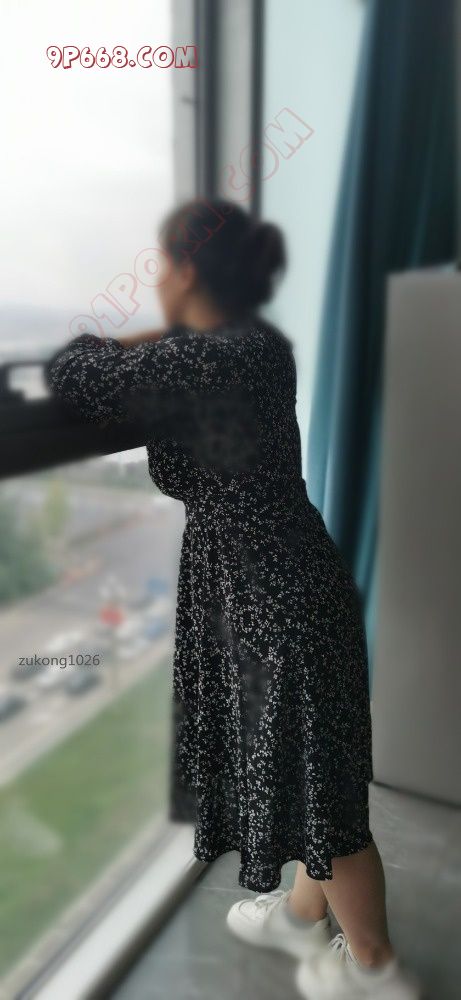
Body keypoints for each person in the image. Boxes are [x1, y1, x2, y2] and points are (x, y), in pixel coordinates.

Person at [45, 197, 421, 999]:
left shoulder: (199, 362)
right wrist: (169, 331)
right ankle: (300, 917)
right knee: (313, 774)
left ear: (185, 271)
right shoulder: (256, 345)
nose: (155, 278)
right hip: (290, 578)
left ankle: (375, 969)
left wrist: (135, 336)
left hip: (267, 600)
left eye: (161, 263)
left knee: (325, 797)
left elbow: (72, 369)